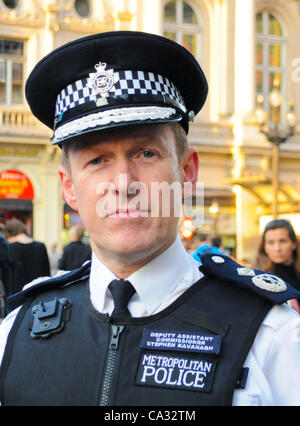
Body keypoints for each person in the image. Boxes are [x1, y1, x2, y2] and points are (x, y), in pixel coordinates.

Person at [0, 31, 300, 406]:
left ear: (187, 171)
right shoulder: (15, 333)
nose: (123, 184)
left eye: (145, 153)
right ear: (69, 187)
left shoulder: (271, 338)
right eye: (97, 161)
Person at [254, 219, 300, 312]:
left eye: (282, 241)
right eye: (271, 242)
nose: (277, 248)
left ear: (293, 244)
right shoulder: (258, 278)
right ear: (264, 247)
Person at [5, 218, 50, 295]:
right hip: (39, 294)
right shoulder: (41, 246)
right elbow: (47, 273)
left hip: (17, 297)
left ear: (9, 234)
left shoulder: (10, 248)